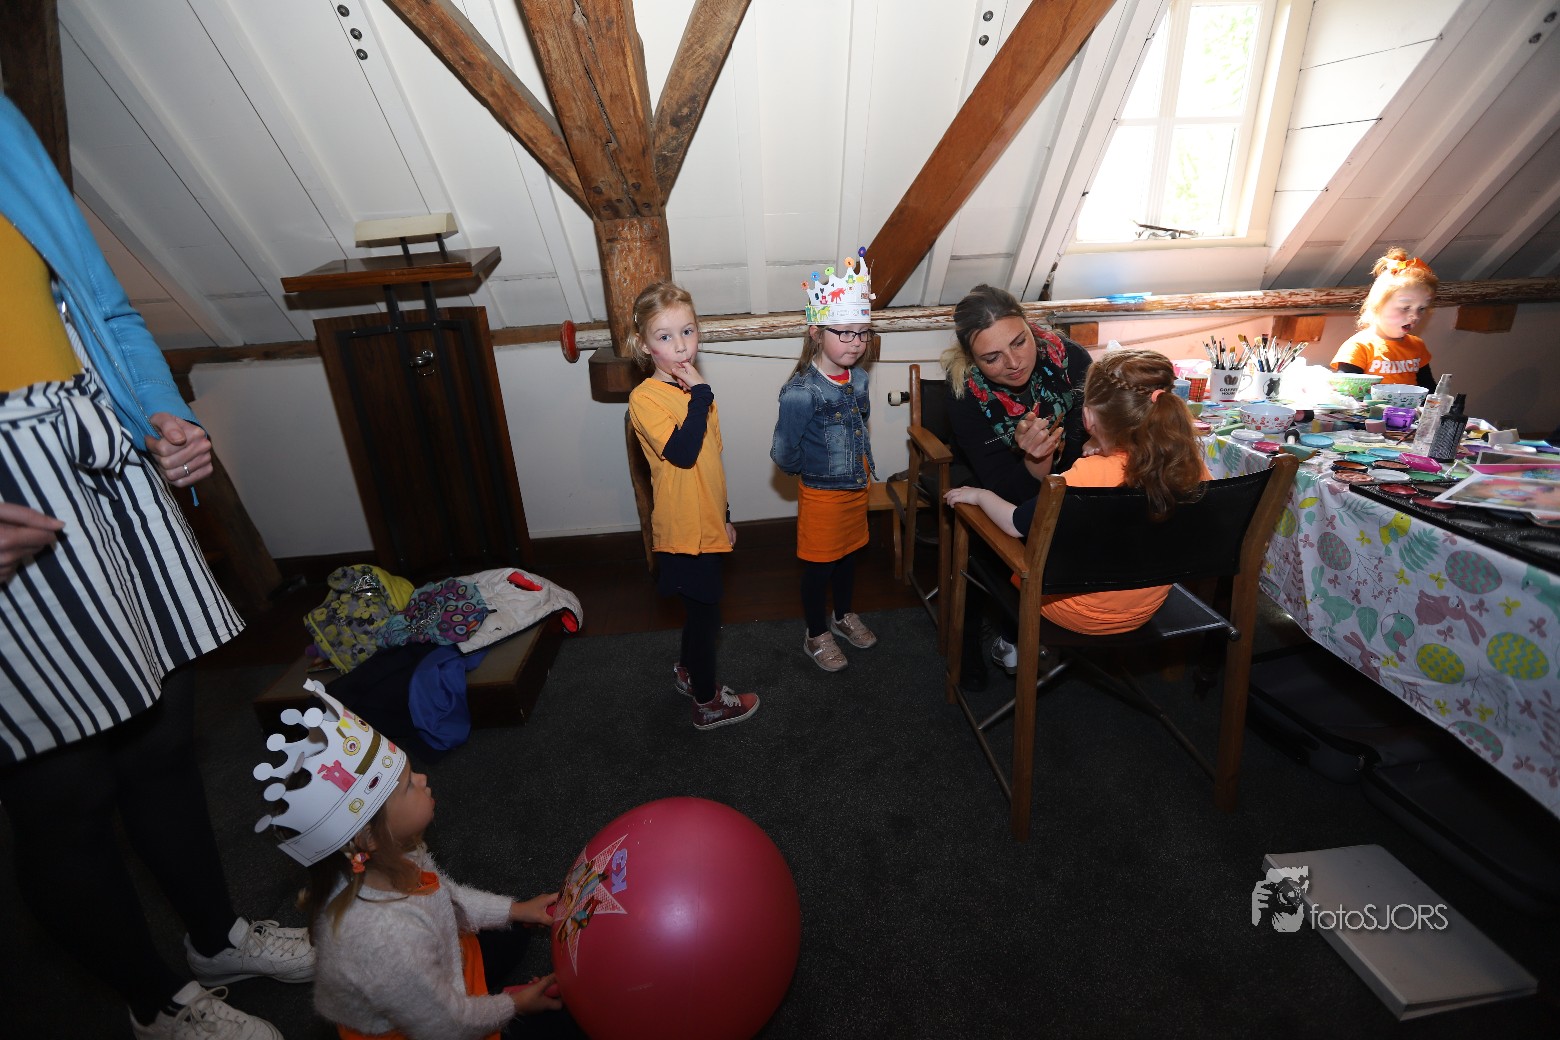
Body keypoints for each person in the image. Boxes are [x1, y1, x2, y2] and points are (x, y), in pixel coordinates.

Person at [0, 94, 312, 1039]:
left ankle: (216, 939)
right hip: (11, 502)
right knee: (63, 789)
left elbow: (99, 303)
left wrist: (158, 415)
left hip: (94, 457)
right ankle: (154, 1000)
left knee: (161, 739)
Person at [256, 683, 564, 1039]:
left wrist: (515, 911)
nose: (422, 778)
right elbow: (446, 1026)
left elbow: (447, 898)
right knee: (562, 1023)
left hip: (429, 972)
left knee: (514, 932)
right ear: (368, 837)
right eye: (407, 786)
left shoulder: (387, 854)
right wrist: (515, 1006)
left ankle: (480, 992)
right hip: (428, 1028)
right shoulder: (385, 939)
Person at [945, 348, 1209, 635]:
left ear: (1088, 417)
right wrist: (1102, 447)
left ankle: (1012, 642)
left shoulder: (1085, 475)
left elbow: (1014, 523)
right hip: (1146, 607)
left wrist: (979, 495)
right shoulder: (1189, 465)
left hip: (1076, 611)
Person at [627, 282, 760, 730]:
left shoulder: (699, 394)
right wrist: (701, 395)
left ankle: (688, 672)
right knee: (706, 619)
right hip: (682, 532)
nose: (681, 346)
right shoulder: (645, 398)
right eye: (665, 337)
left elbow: (710, 464)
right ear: (644, 345)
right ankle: (707, 702)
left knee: (700, 612)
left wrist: (725, 517)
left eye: (687, 331)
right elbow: (682, 453)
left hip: (707, 524)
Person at [941, 284, 1092, 674]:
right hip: (994, 481)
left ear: (1029, 325)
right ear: (971, 358)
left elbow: (1086, 444)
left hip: (1071, 477)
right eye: (992, 358)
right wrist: (1036, 461)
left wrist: (1058, 470)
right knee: (986, 540)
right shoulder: (963, 394)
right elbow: (1005, 490)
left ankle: (1038, 623)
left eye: (1019, 342)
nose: (1013, 363)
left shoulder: (1071, 359)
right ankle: (970, 636)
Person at [770, 251, 879, 672]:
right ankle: (816, 632)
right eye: (845, 332)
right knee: (820, 568)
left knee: (849, 556)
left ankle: (843, 615)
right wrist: (810, 473)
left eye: (862, 333)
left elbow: (859, 424)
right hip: (822, 493)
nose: (856, 342)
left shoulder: (860, 377)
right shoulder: (801, 392)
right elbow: (784, 450)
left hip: (857, 486)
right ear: (816, 332)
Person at [1330, 248, 1438, 389]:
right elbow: (1346, 393)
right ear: (1378, 305)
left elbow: (1429, 389)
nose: (1415, 316)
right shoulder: (1359, 347)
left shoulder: (1417, 346)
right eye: (1405, 307)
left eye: (1421, 309)